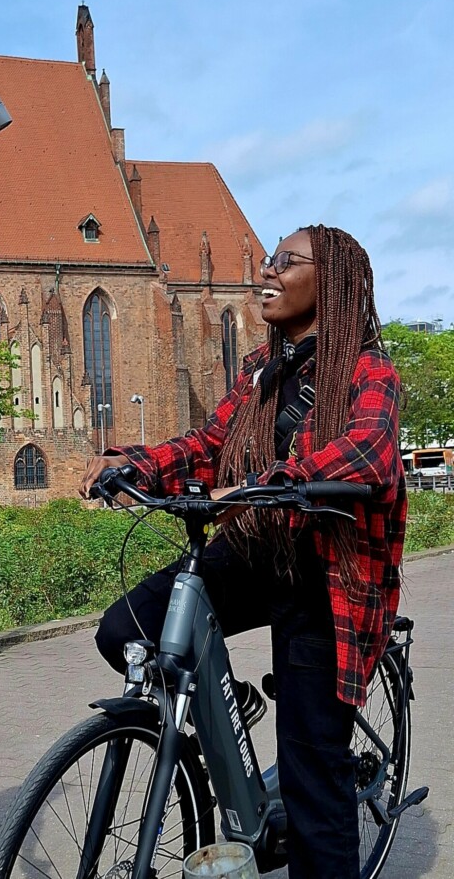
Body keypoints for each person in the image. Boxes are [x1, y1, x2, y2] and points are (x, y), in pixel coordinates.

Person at [79, 225, 404, 879]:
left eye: (287, 260)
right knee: (125, 628)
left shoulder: (368, 372)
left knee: (316, 777)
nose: (267, 267)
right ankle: (225, 724)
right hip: (259, 547)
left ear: (332, 281)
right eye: (267, 257)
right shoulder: (262, 367)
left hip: (325, 571)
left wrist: (272, 483)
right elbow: (209, 440)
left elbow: (371, 452)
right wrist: (135, 465)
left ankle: (308, 802)